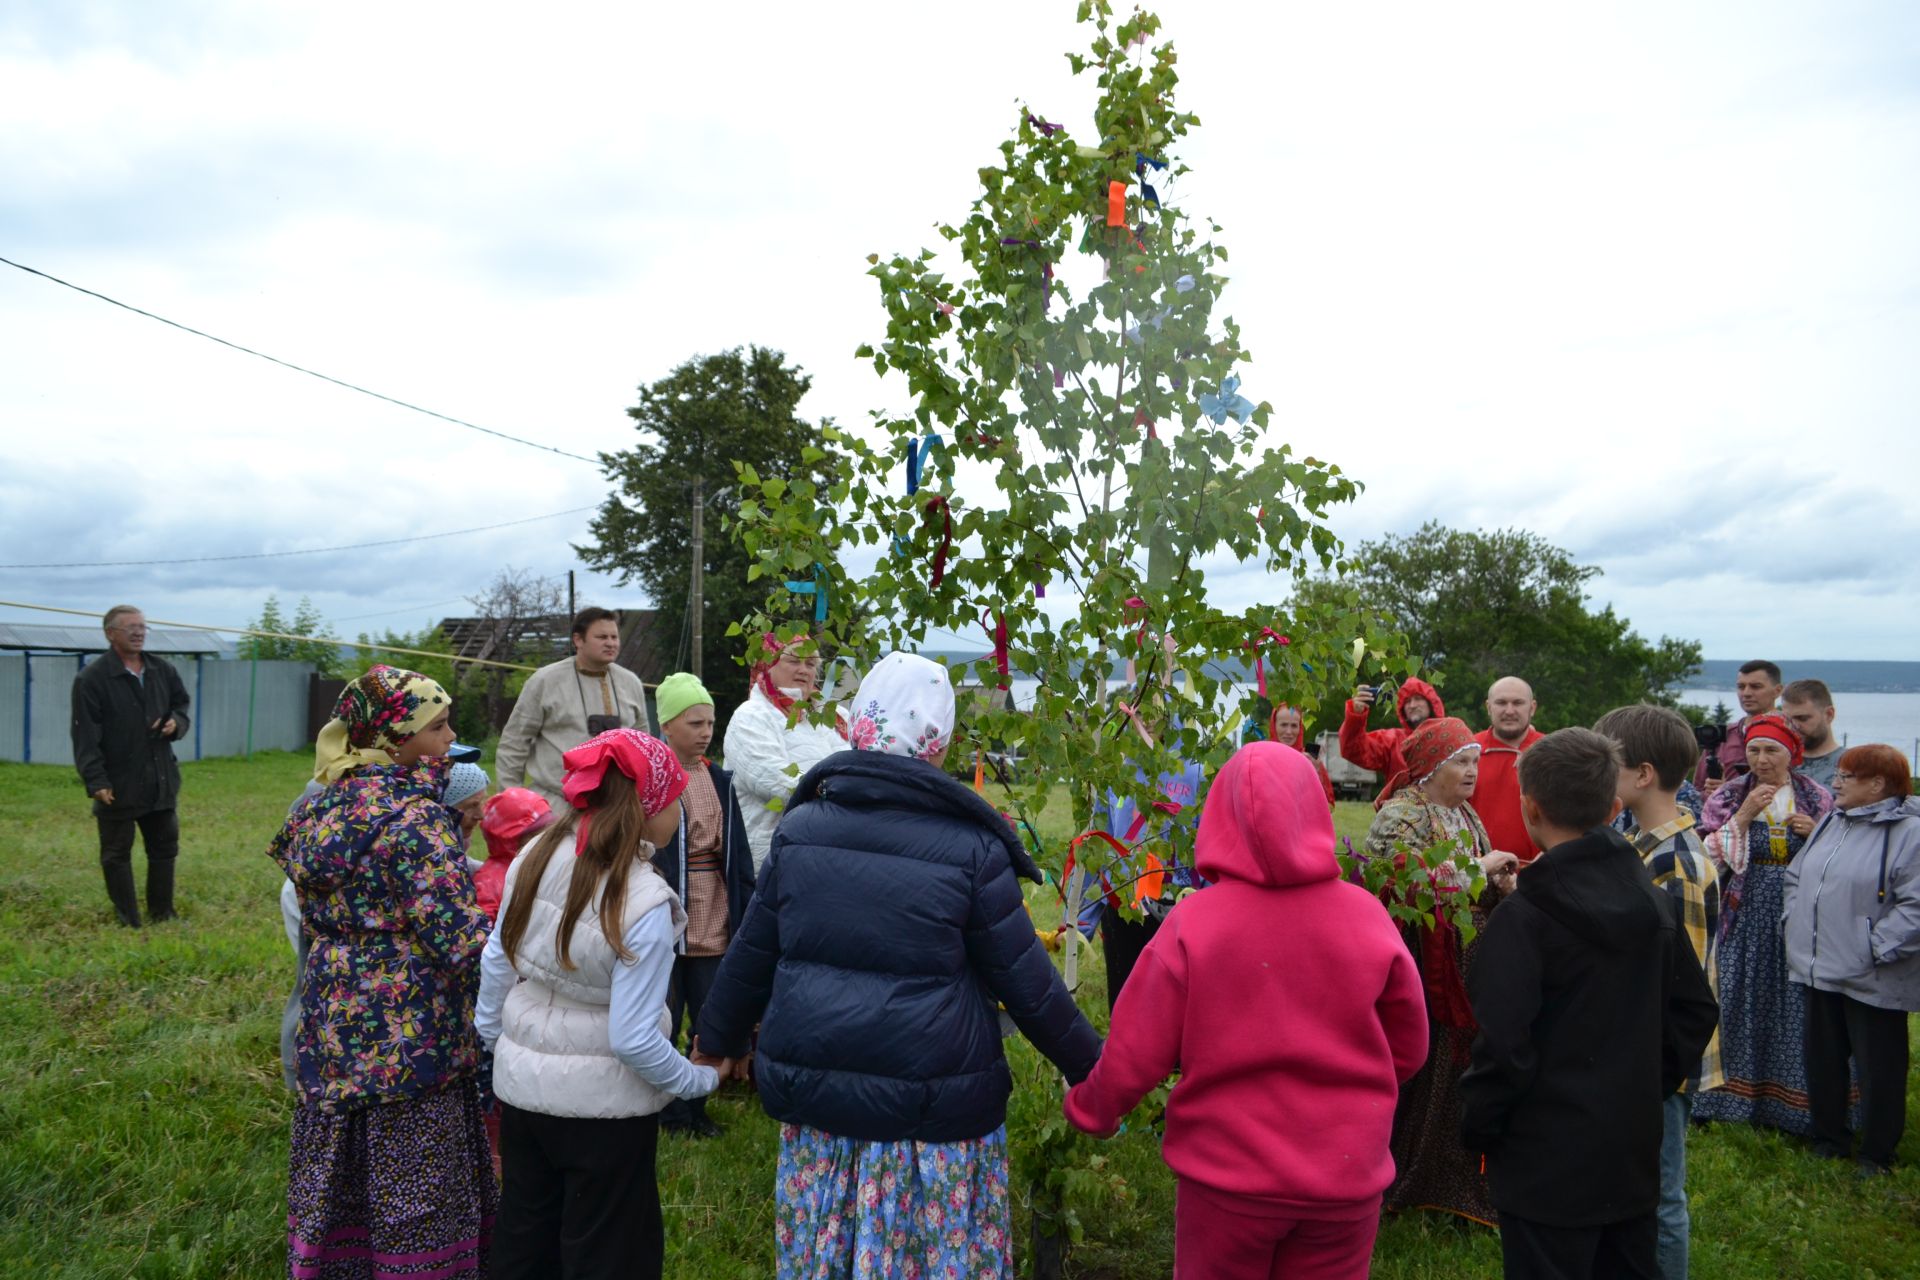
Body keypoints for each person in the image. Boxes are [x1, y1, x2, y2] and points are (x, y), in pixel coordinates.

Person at [695, 652, 1101, 1279]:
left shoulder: (801, 829)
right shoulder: (970, 848)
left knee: (823, 1253)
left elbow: (753, 951)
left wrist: (716, 1040)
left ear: (858, 725)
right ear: (937, 745)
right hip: (932, 1117)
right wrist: (1091, 1068)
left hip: (819, 1103)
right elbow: (1027, 981)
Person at [1064, 742, 1428, 1279]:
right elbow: (1409, 1046)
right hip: (1345, 1175)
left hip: (1228, 1180)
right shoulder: (1368, 917)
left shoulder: (1192, 927)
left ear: (1217, 819)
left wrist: (1092, 1109)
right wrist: (1351, 1099)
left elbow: (1134, 1053)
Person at [1461, 729, 1718, 1280]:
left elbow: (1504, 1046)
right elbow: (1695, 1011)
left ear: (1529, 808)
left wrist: (1481, 1126)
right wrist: (1641, 1085)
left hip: (1543, 1159)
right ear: (1613, 806)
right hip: (1627, 1146)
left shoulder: (1523, 921)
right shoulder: (1652, 900)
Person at [269, 665, 495, 1278]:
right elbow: (461, 942)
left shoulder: (319, 811)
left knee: (341, 1170)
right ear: (396, 737)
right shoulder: (414, 821)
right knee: (414, 1184)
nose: (450, 738)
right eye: (438, 725)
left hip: (332, 1027)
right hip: (411, 1039)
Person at [476, 727, 720, 1280]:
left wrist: (498, 1043)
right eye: (675, 799)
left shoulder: (534, 854)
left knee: (523, 1237)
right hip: (605, 1116)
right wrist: (695, 1080)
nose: (680, 811)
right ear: (649, 807)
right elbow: (632, 1038)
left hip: (523, 1096)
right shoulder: (645, 901)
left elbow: (497, 961)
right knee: (608, 1250)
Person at [1362, 716, 1519, 1226]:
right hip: (1419, 965)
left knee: (1456, 1071)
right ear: (1430, 767)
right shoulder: (1401, 814)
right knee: (1419, 1064)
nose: (1473, 772)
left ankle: (1448, 1179)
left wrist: (1502, 885)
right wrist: (1480, 869)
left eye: (1475, 761)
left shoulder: (1466, 816)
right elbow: (1397, 888)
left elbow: (1478, 879)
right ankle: (1403, 1174)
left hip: (1465, 962)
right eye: (1462, 762)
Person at [1593, 705, 1723, 1280]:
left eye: (1609, 764)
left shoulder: (1679, 865)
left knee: (1663, 1195)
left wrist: (1655, 1068)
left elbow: (1684, 990)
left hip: (1663, 1062)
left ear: (1642, 774)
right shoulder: (1636, 842)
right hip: (1637, 1053)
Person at [1692, 713, 1833, 1135]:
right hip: (1744, 909)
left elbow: (1840, 856)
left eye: (1772, 750)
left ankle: (1792, 1105)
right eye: (1754, 749)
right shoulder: (1732, 796)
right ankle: (1725, 1100)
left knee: (1792, 1000)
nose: (1762, 759)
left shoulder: (1816, 797)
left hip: (1799, 911)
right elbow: (1707, 853)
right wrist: (1744, 818)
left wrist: (1815, 835)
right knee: (1735, 993)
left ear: (1792, 753)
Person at [1783, 744, 1920, 1175]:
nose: (1835, 783)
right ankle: (1829, 1139)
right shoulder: (1831, 822)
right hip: (1817, 966)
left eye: (1846, 776)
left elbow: (1915, 905)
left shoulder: (1911, 834)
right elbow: (1796, 876)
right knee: (1822, 1059)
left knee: (1879, 1068)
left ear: (1877, 784)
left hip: (1872, 975)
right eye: (1837, 775)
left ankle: (1878, 1154)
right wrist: (1794, 922)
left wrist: (1873, 949)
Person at [647, 672, 757, 1139]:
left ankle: (695, 1107)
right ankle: (665, 1111)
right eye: (694, 722)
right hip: (667, 913)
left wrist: (748, 910)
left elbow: (740, 856)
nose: (705, 731)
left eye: (710, 722)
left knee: (710, 1014)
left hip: (714, 908)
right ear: (667, 725)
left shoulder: (718, 778)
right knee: (663, 1013)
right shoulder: (651, 778)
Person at [70, 604, 192, 927]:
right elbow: (85, 735)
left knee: (164, 849)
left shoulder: (162, 670)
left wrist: (176, 724)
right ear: (111, 634)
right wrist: (96, 780)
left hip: (159, 778)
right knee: (116, 854)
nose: (139, 633)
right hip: (118, 782)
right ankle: (128, 919)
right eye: (131, 628)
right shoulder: (92, 679)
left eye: (142, 627)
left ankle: (163, 914)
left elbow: (181, 704)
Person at [497, 606, 654, 806]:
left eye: (614, 637)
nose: (610, 643)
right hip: (556, 805)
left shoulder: (630, 682)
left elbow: (644, 746)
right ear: (578, 640)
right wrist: (513, 801)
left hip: (616, 807)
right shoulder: (546, 681)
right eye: (602, 637)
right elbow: (514, 744)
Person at [721, 632, 843, 875]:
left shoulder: (833, 718)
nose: (804, 670)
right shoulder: (751, 717)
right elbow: (776, 784)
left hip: (826, 857)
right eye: (793, 661)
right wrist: (843, 795)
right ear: (768, 665)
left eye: (810, 664)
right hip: (771, 863)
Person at [1340, 676, 1446, 806]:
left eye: (1418, 699)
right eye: (1407, 701)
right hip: (1400, 819)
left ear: (1431, 703)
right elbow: (1353, 750)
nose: (1412, 705)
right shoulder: (1392, 740)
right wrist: (1355, 717)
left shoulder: (1448, 737)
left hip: (1440, 817)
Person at [1473, 676, 1545, 861]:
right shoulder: (1468, 751)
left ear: (1532, 707)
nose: (1509, 710)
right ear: (1489, 707)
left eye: (1518, 703)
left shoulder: (1552, 751)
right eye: (1501, 703)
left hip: (1540, 873)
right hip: (1478, 873)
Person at [1694, 660, 1783, 795]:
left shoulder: (1791, 736)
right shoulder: (1722, 737)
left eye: (1756, 686)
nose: (1746, 693)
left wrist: (1729, 791)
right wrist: (1711, 794)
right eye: (1741, 687)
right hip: (1725, 815)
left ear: (1777, 691)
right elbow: (1698, 789)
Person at [476, 787, 556, 923]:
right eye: (538, 835)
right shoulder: (490, 882)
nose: (547, 842)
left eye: (550, 833)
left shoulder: (543, 867)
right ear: (510, 840)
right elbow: (481, 927)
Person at [1782, 678, 1843, 792]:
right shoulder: (1776, 764)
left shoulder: (1851, 765)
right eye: (1788, 720)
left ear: (1829, 715)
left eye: (1802, 718)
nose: (1794, 726)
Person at [1268, 702, 1335, 805]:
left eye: (1294, 725)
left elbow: (1328, 806)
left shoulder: (1311, 761)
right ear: (1274, 726)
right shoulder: (1263, 758)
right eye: (1284, 725)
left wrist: (1316, 772)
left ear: (1300, 728)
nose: (1289, 731)